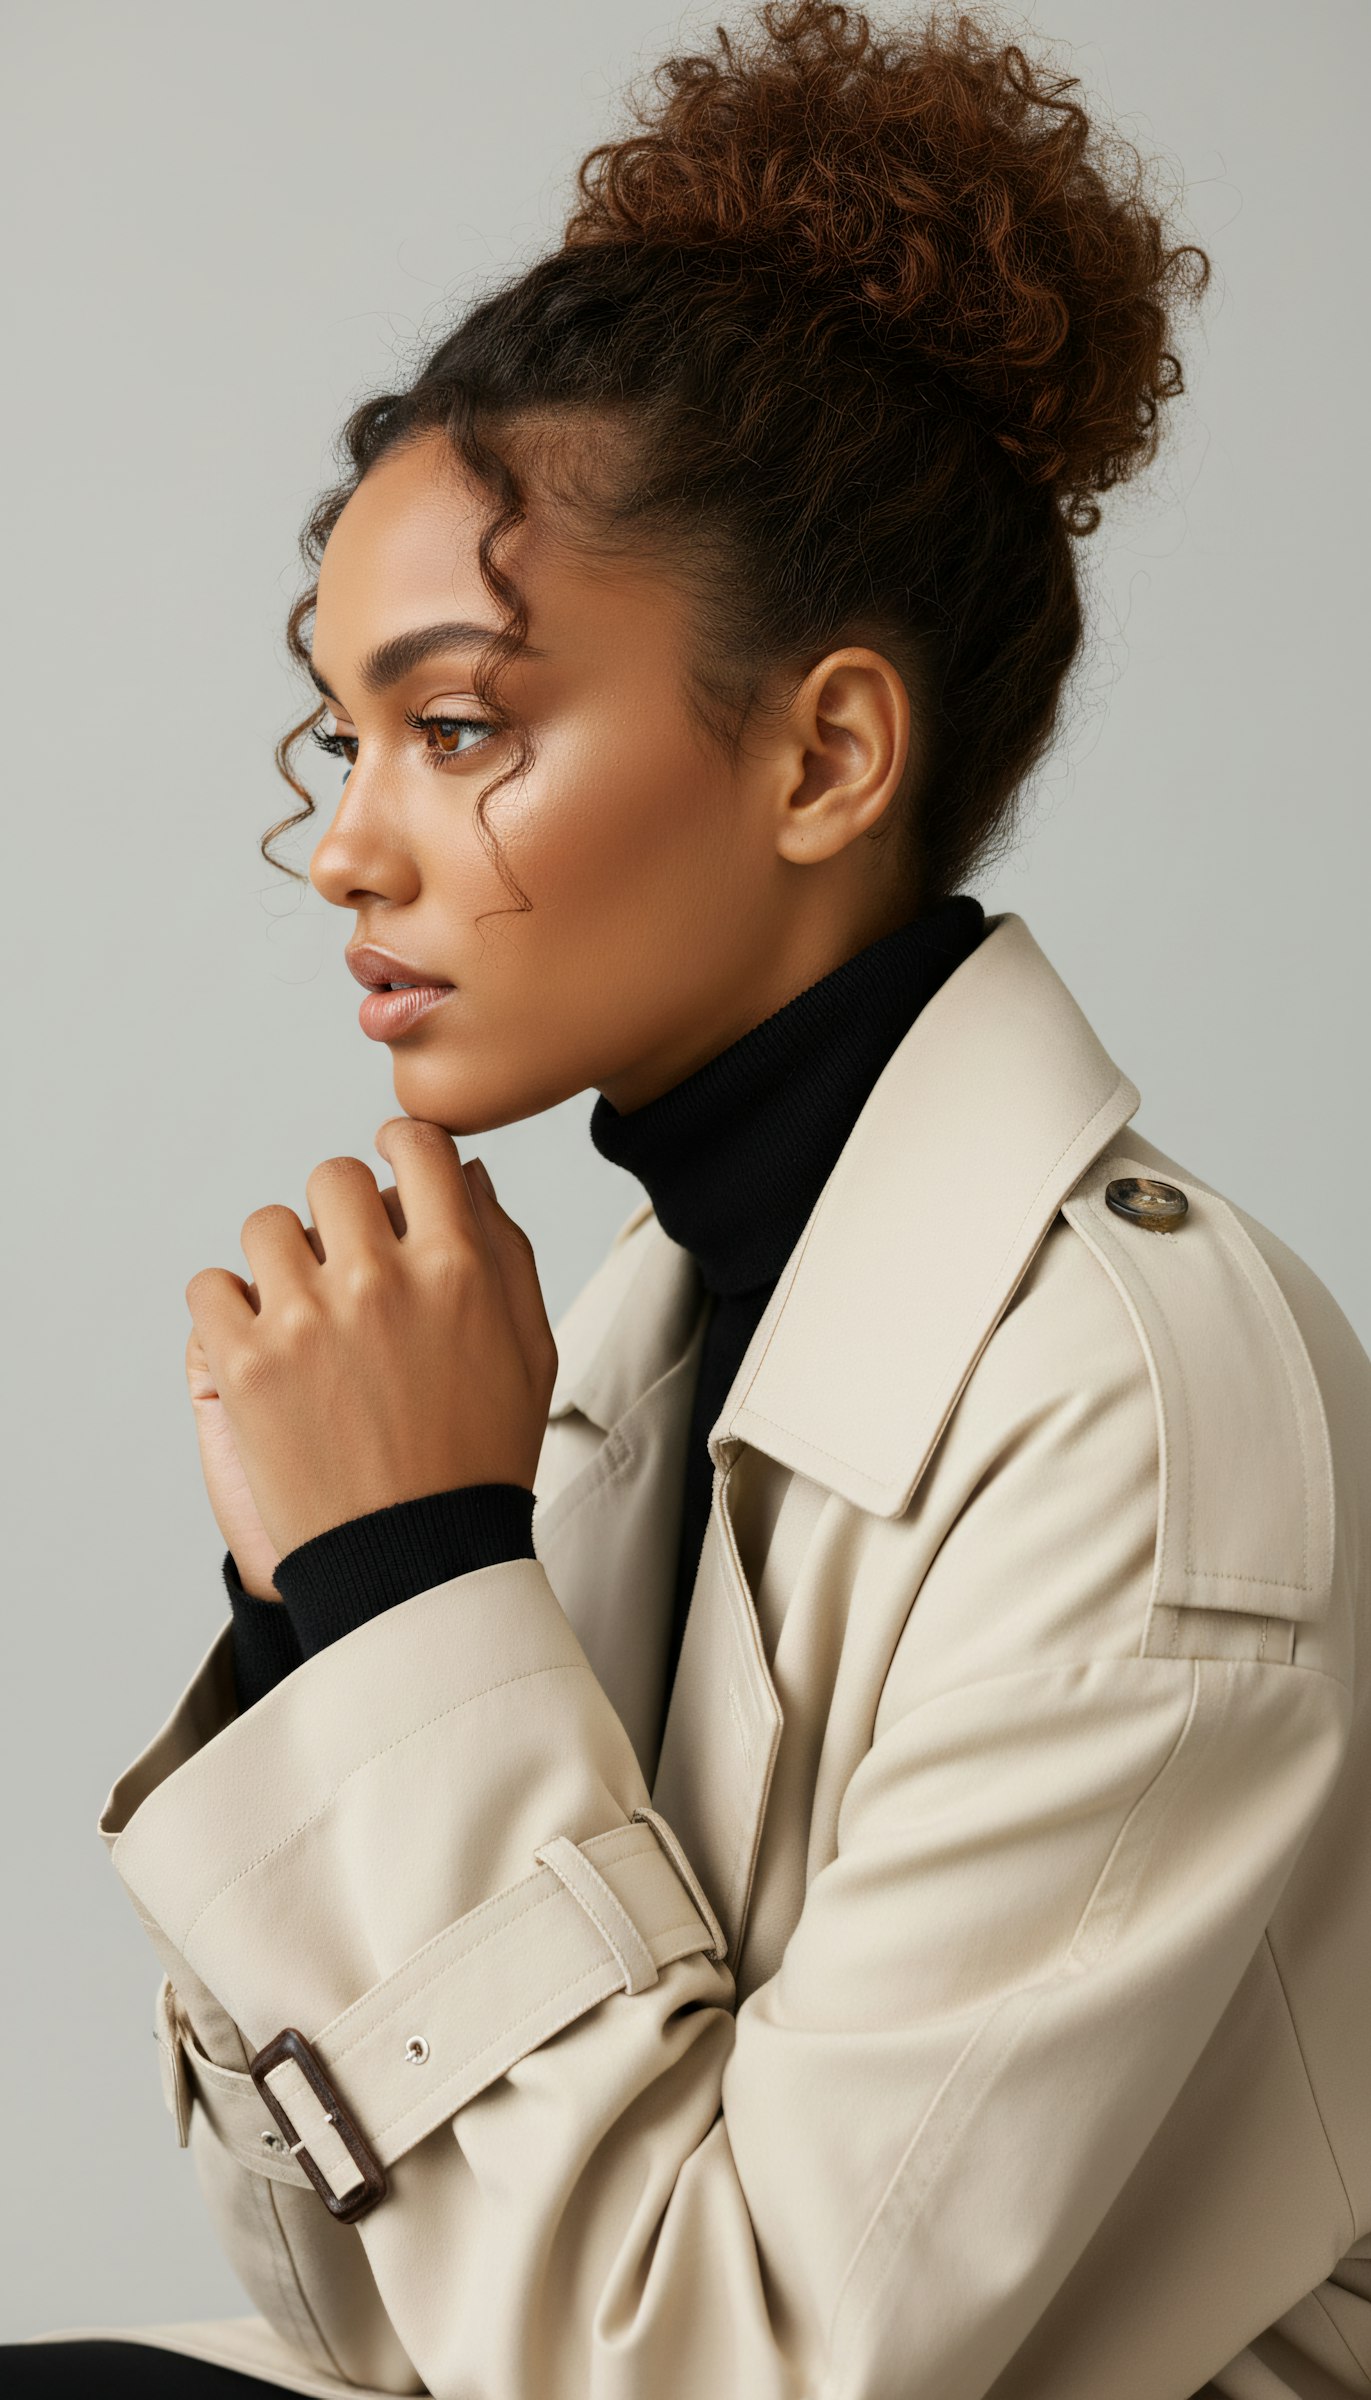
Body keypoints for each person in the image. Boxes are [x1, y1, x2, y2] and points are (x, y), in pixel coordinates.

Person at [11, 4, 1371, 2394]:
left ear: (826, 752)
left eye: (458, 726)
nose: (345, 843)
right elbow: (374, 2289)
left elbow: (703, 2370)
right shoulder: (655, 1320)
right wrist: (336, 1618)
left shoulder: (1128, 1420)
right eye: (346, 734)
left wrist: (409, 1590)